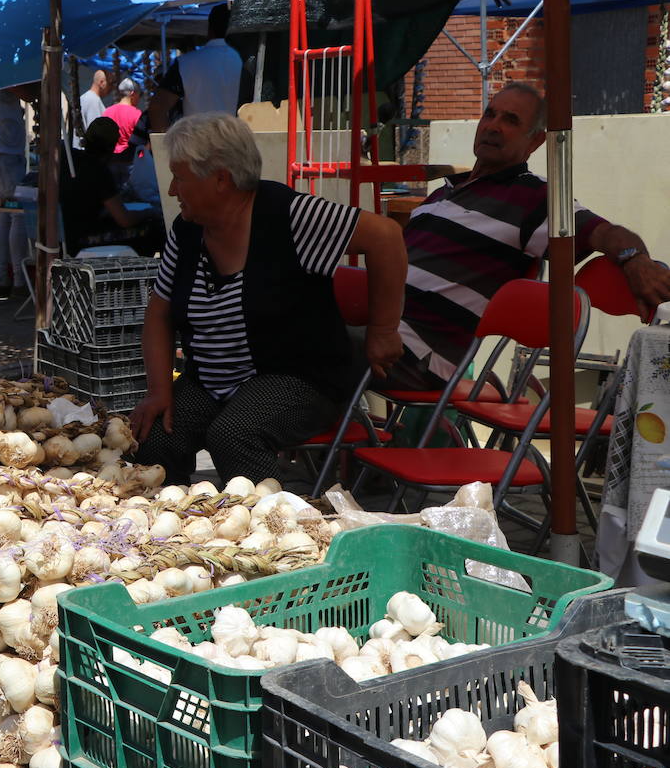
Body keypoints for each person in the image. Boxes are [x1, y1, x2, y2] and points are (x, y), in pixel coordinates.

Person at [131, 114, 407, 485]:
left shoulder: (290, 216)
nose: (172, 191)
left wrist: (383, 330)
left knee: (234, 434)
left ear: (220, 179)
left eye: (180, 178)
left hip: (298, 377)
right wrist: (159, 391)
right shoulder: (186, 232)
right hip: (213, 380)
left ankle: (260, 529)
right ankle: (168, 527)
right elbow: (159, 314)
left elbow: (386, 237)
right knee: (154, 434)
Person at [383, 82, 670, 391]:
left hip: (414, 354)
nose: (493, 126)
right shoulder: (443, 192)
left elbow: (605, 232)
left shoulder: (534, 197)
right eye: (490, 115)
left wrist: (634, 259)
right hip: (378, 326)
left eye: (511, 120)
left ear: (534, 142)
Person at [60, 118, 157, 256]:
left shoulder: (71, 160)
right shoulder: (98, 170)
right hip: (82, 240)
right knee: (153, 230)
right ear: (111, 146)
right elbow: (124, 219)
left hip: (65, 236)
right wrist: (148, 213)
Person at [148, 3, 242, 132]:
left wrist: (166, 148)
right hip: (239, 145)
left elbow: (157, 107)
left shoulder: (185, 63)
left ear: (210, 29)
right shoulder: (249, 62)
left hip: (197, 145)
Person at [0, 85, 31, 300]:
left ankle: (4, 279)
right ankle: (18, 281)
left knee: (4, 213)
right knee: (16, 213)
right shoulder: (3, 66)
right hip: (6, 148)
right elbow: (26, 92)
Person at [103, 77, 143, 156]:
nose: (139, 98)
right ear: (132, 93)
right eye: (139, 94)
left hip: (111, 158)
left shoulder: (107, 112)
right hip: (130, 158)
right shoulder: (137, 114)